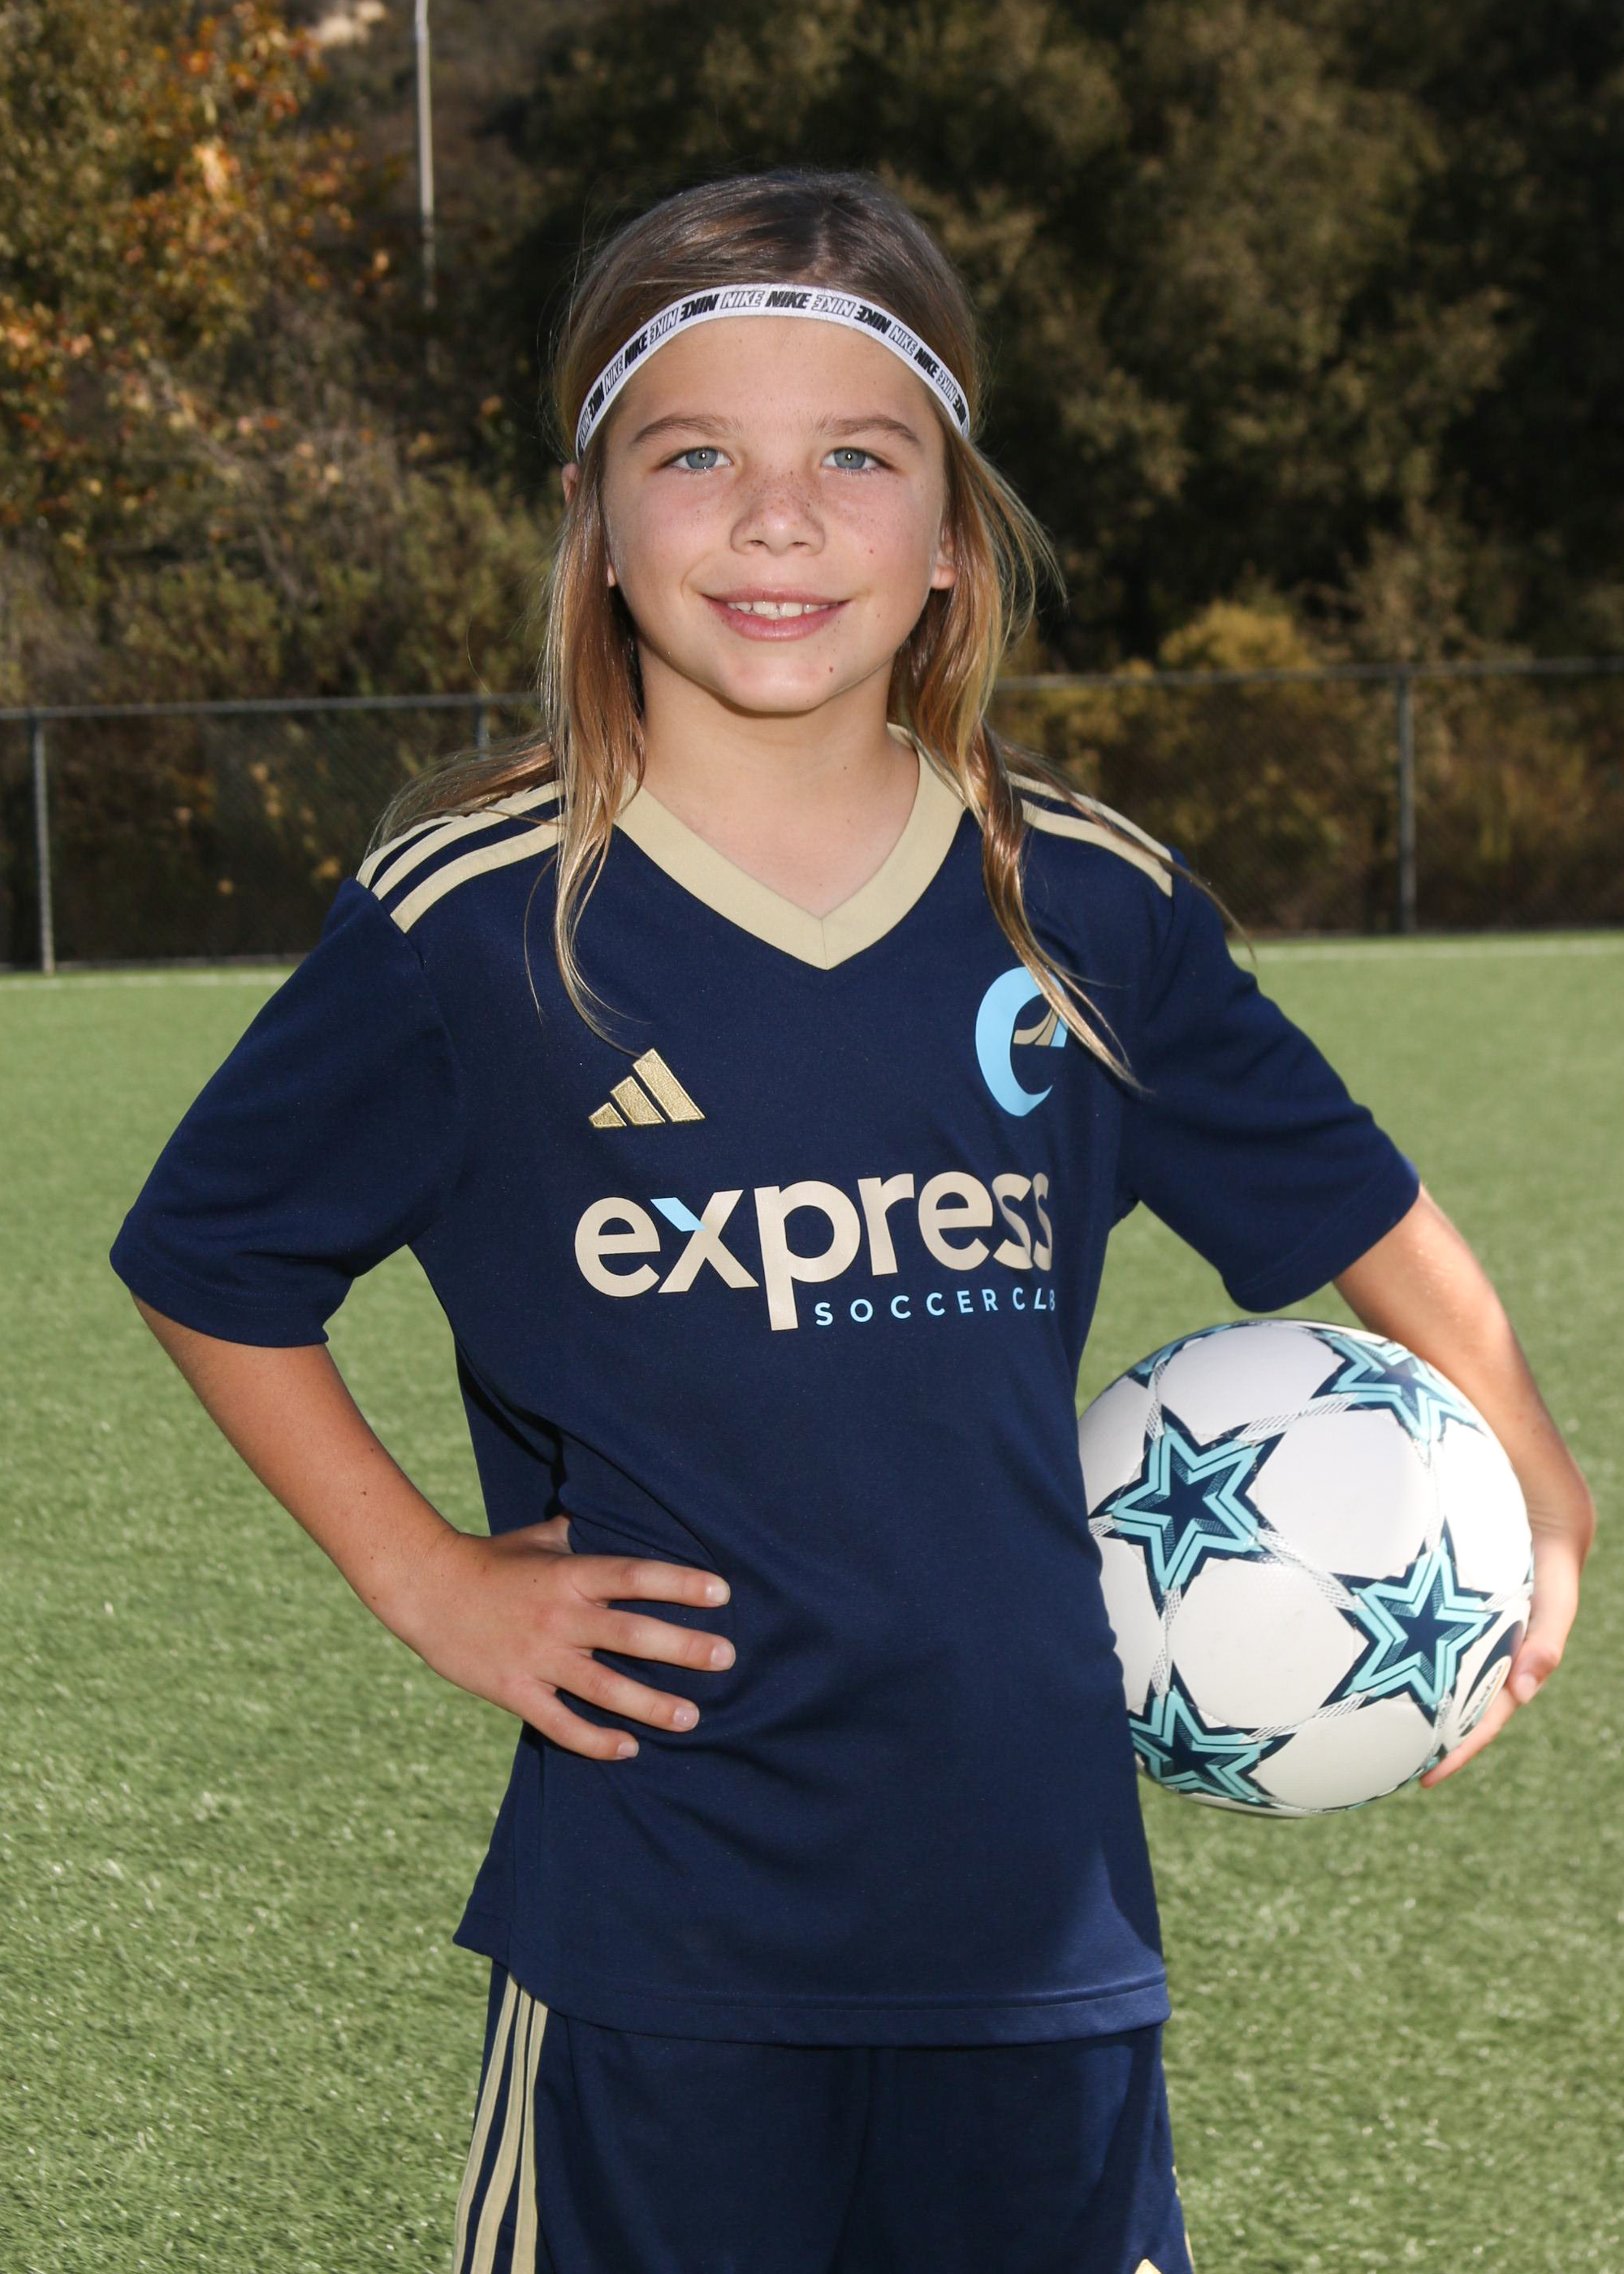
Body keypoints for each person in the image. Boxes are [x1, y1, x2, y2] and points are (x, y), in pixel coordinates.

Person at [108, 166, 1595, 2274]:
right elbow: (211, 1260)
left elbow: (1352, 1196)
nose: (778, 520)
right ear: (594, 519)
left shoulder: (1084, 906)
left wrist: (1535, 1481)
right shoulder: (479, 922)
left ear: (955, 529)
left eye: (859, 459)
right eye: (696, 455)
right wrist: (427, 1580)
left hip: (1040, 1931)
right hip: (660, 1934)